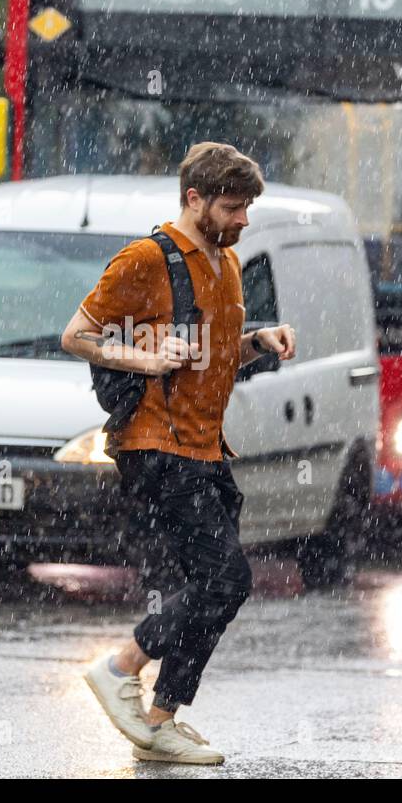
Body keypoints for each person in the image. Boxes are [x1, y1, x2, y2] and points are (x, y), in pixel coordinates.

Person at [60, 142, 297, 764]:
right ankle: (120, 669)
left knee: (217, 587)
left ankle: (162, 717)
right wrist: (143, 358)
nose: (243, 219)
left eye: (246, 207)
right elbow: (76, 334)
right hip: (156, 448)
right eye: (232, 206)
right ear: (194, 199)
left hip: (208, 450)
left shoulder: (228, 264)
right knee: (225, 578)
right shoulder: (146, 259)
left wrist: (258, 342)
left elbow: (215, 356)